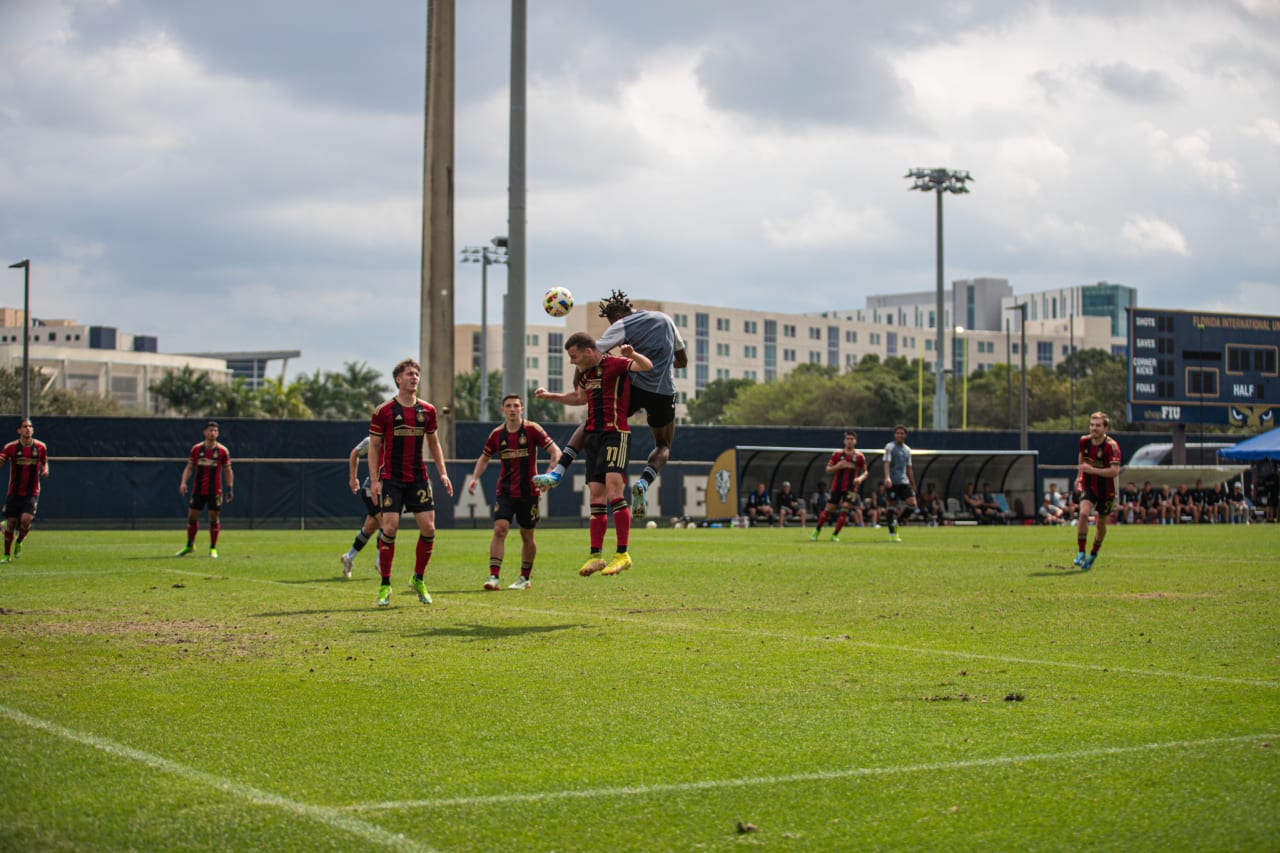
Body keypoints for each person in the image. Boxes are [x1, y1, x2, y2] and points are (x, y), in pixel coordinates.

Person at [533, 290, 687, 521]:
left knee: (591, 422)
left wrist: (579, 382)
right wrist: (660, 364)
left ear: (616, 316)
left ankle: (558, 470)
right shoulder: (666, 320)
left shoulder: (621, 324)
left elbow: (592, 353)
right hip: (663, 392)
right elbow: (682, 361)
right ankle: (644, 482)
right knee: (664, 445)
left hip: (633, 388)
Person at [535, 332, 653, 577]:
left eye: (573, 356)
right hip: (593, 437)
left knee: (613, 489)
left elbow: (647, 366)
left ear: (588, 351)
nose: (571, 361)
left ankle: (622, 554)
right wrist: (550, 397)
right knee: (596, 497)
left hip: (616, 433)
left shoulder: (615, 364)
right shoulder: (586, 373)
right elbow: (579, 398)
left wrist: (633, 355)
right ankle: (595, 556)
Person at [368, 358, 454, 607]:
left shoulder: (427, 410)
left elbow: (434, 443)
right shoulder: (384, 411)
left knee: (429, 529)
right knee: (390, 527)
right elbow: (374, 447)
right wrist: (374, 480)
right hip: (392, 479)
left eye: (416, 373)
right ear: (398, 379)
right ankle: (385, 585)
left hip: (418, 477)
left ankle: (418, 578)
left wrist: (443, 473)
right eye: (409, 374)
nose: (414, 377)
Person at [466, 394, 560, 590]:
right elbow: (484, 458)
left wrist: (551, 474)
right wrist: (475, 478)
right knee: (500, 529)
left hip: (529, 492)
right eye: (508, 406)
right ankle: (494, 577)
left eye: (516, 405)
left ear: (522, 409)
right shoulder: (496, 435)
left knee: (527, 534)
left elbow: (556, 452)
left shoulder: (532, 430)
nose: (512, 409)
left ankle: (524, 578)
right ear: (503, 410)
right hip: (506, 491)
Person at [176, 421, 233, 558]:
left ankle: (213, 548)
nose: (212, 433)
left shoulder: (222, 451)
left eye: (215, 431)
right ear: (204, 432)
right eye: (210, 430)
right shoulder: (196, 449)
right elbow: (189, 468)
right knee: (192, 517)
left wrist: (230, 488)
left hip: (215, 491)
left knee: (214, 518)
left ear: (217, 433)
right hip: (199, 490)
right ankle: (190, 545)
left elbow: (228, 470)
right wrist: (183, 483)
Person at [1074, 411, 1121, 571]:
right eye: (1092, 425)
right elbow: (1082, 458)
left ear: (1105, 428)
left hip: (1107, 490)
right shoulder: (1084, 441)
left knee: (1101, 524)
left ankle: (1093, 554)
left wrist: (1092, 470)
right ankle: (1081, 551)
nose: (1093, 428)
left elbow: (1114, 471)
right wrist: (1079, 476)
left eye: (1098, 426)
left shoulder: (1112, 447)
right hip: (1089, 485)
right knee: (1083, 514)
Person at [0, 418, 49, 563]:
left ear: (33, 430)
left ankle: (19, 541)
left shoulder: (41, 446)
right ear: (19, 430)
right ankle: (6, 555)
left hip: (31, 492)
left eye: (30, 426)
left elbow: (45, 462)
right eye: (24, 426)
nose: (28, 429)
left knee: (26, 520)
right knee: (12, 523)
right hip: (14, 492)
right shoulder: (11, 447)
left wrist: (45, 470)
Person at [811, 430, 868, 542]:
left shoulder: (860, 456)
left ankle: (835, 535)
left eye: (852, 439)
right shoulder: (837, 454)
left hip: (851, 489)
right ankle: (817, 530)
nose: (850, 441)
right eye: (848, 439)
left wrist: (860, 478)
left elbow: (866, 472)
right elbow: (828, 470)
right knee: (828, 510)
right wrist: (837, 466)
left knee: (845, 510)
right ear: (844, 441)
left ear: (855, 441)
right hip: (836, 487)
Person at [339, 435, 381, 579]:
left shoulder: (398, 438)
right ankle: (381, 561)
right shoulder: (372, 440)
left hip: (388, 490)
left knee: (369, 527)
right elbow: (355, 453)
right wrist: (353, 477)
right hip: (371, 490)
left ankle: (348, 557)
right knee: (387, 523)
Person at [882, 426, 918, 540]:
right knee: (891, 508)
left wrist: (913, 484)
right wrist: (887, 477)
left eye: (902, 433)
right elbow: (887, 463)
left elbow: (909, 468)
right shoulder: (890, 447)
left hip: (904, 481)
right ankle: (892, 534)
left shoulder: (907, 450)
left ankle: (898, 521)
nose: (900, 435)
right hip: (892, 482)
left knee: (912, 504)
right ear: (894, 435)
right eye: (898, 433)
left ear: (905, 435)